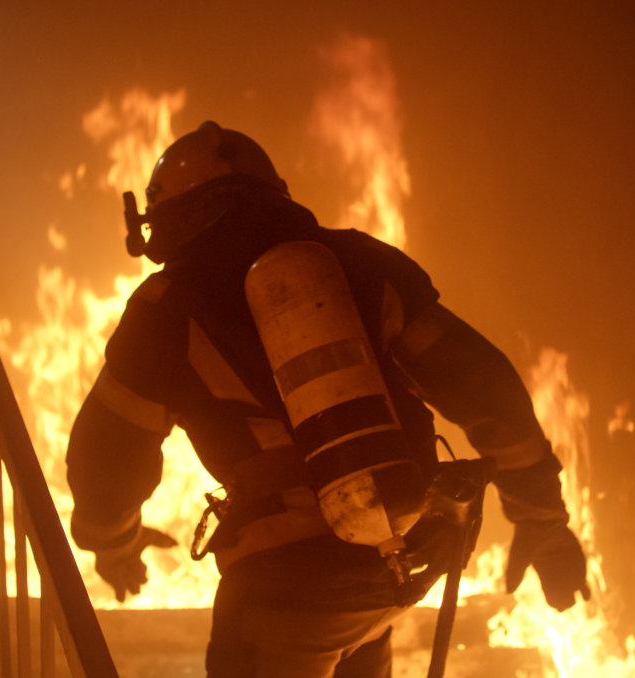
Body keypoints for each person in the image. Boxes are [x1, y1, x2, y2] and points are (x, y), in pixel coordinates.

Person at [66, 121, 589, 677]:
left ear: (166, 220)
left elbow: (107, 456)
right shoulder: (363, 263)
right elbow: (487, 389)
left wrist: (113, 543)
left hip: (285, 595)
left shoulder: (167, 307)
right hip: (401, 562)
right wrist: (543, 519)